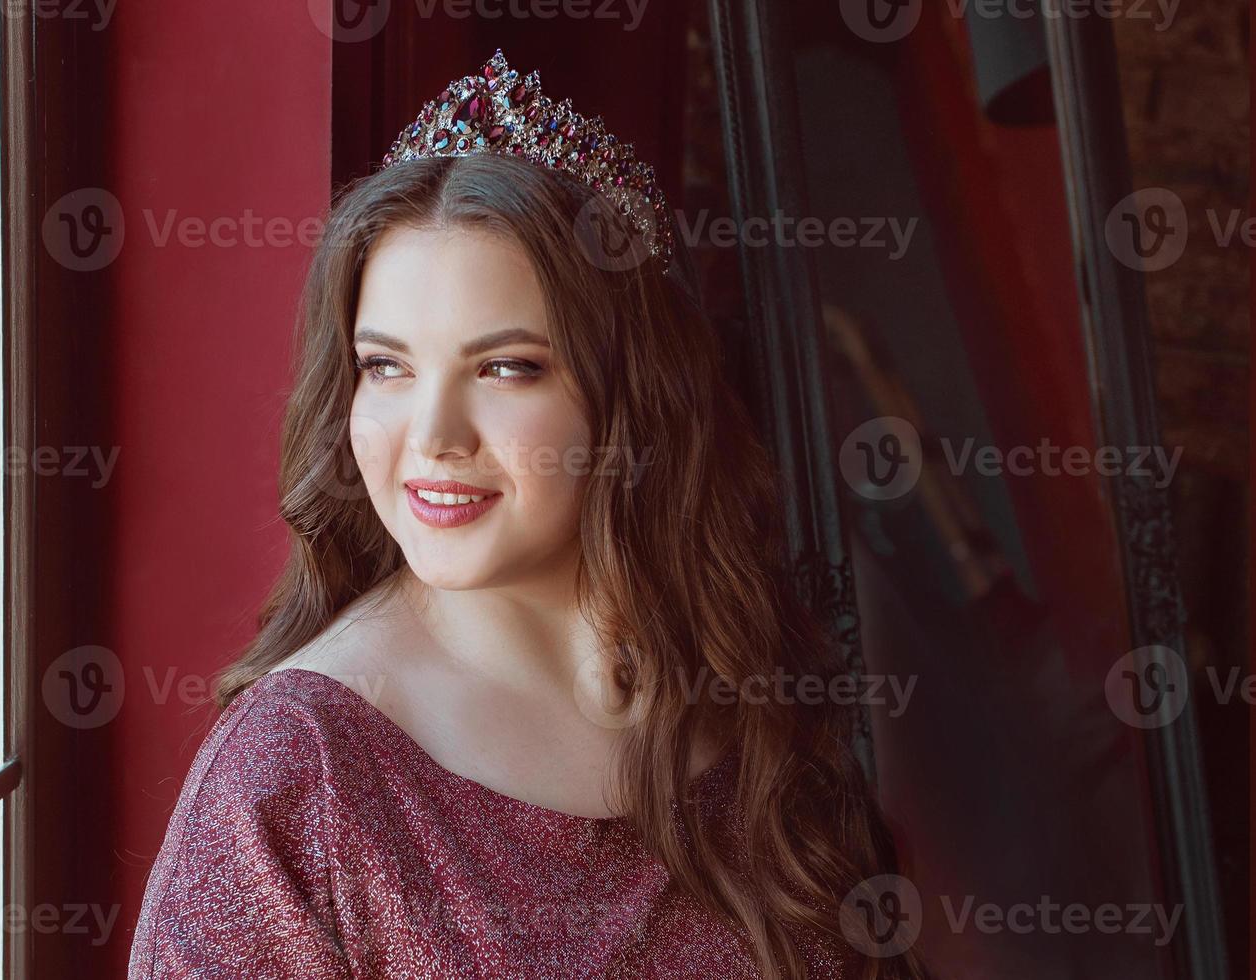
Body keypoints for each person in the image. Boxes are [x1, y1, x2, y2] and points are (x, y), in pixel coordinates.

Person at [127, 49, 928, 980]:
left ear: (631, 399)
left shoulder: (738, 673)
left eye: (505, 367)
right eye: (385, 366)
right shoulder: (295, 777)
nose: (432, 434)